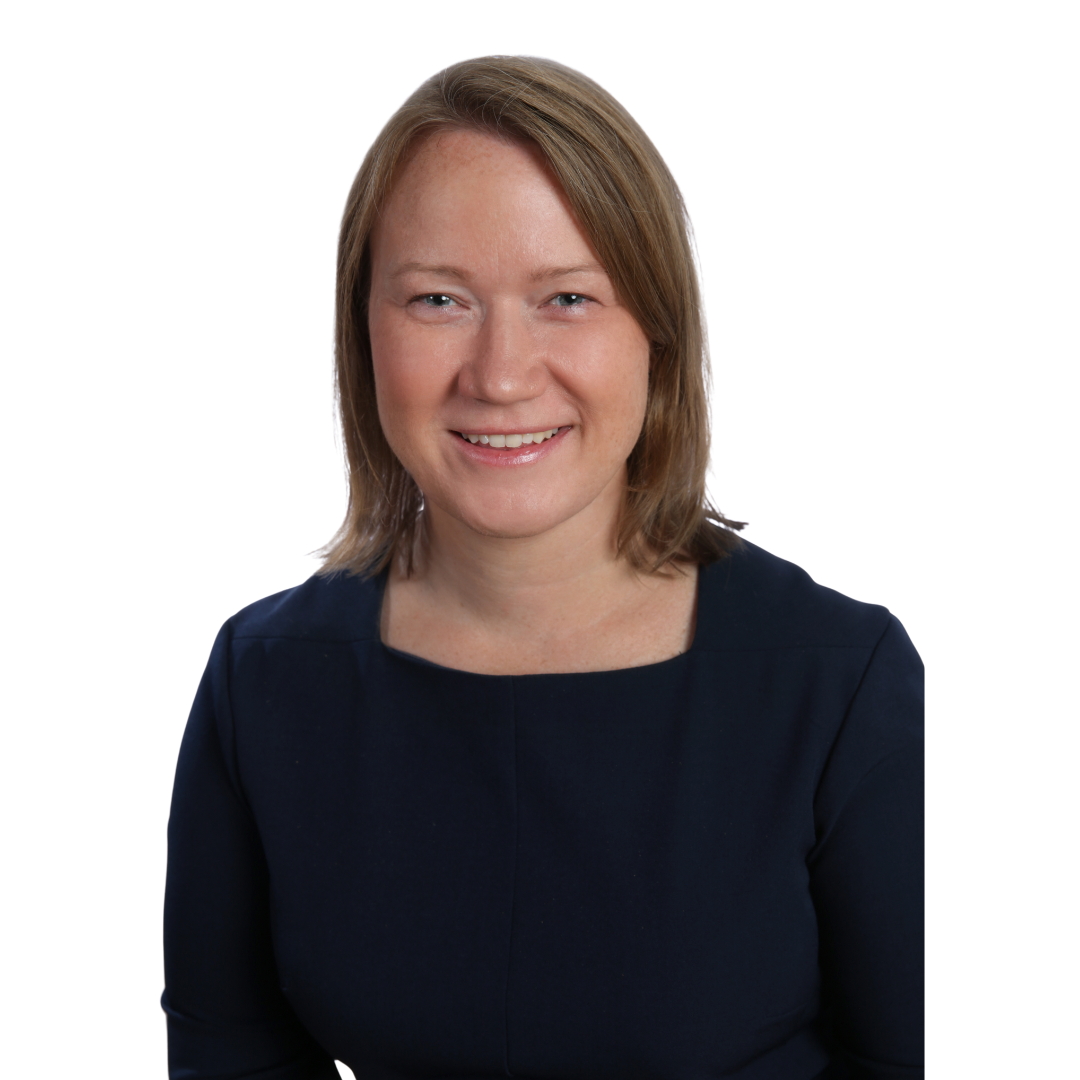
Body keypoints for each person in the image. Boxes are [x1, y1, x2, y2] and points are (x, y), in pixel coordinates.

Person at [162, 56, 924, 1080]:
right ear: (363, 334)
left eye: (566, 297)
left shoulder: (844, 686)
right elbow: (228, 1047)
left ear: (655, 330)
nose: (502, 374)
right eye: (438, 299)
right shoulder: (267, 681)